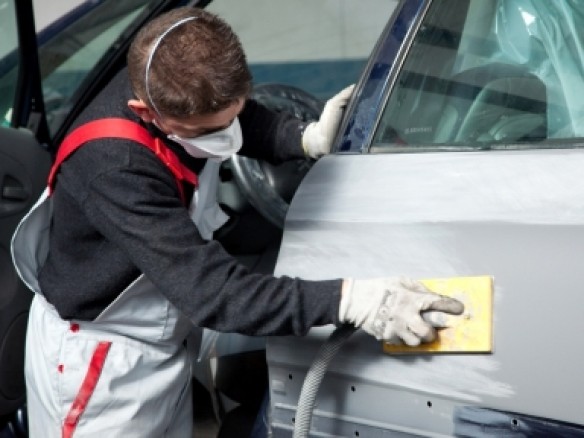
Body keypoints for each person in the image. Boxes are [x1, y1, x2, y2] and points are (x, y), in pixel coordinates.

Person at [11, 6, 464, 438]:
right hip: (102, 361)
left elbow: (234, 117)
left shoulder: (177, 82)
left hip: (162, 340)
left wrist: (301, 137)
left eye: (233, 116)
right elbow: (215, 295)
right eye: (207, 133)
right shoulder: (114, 166)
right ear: (148, 113)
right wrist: (351, 300)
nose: (227, 138)